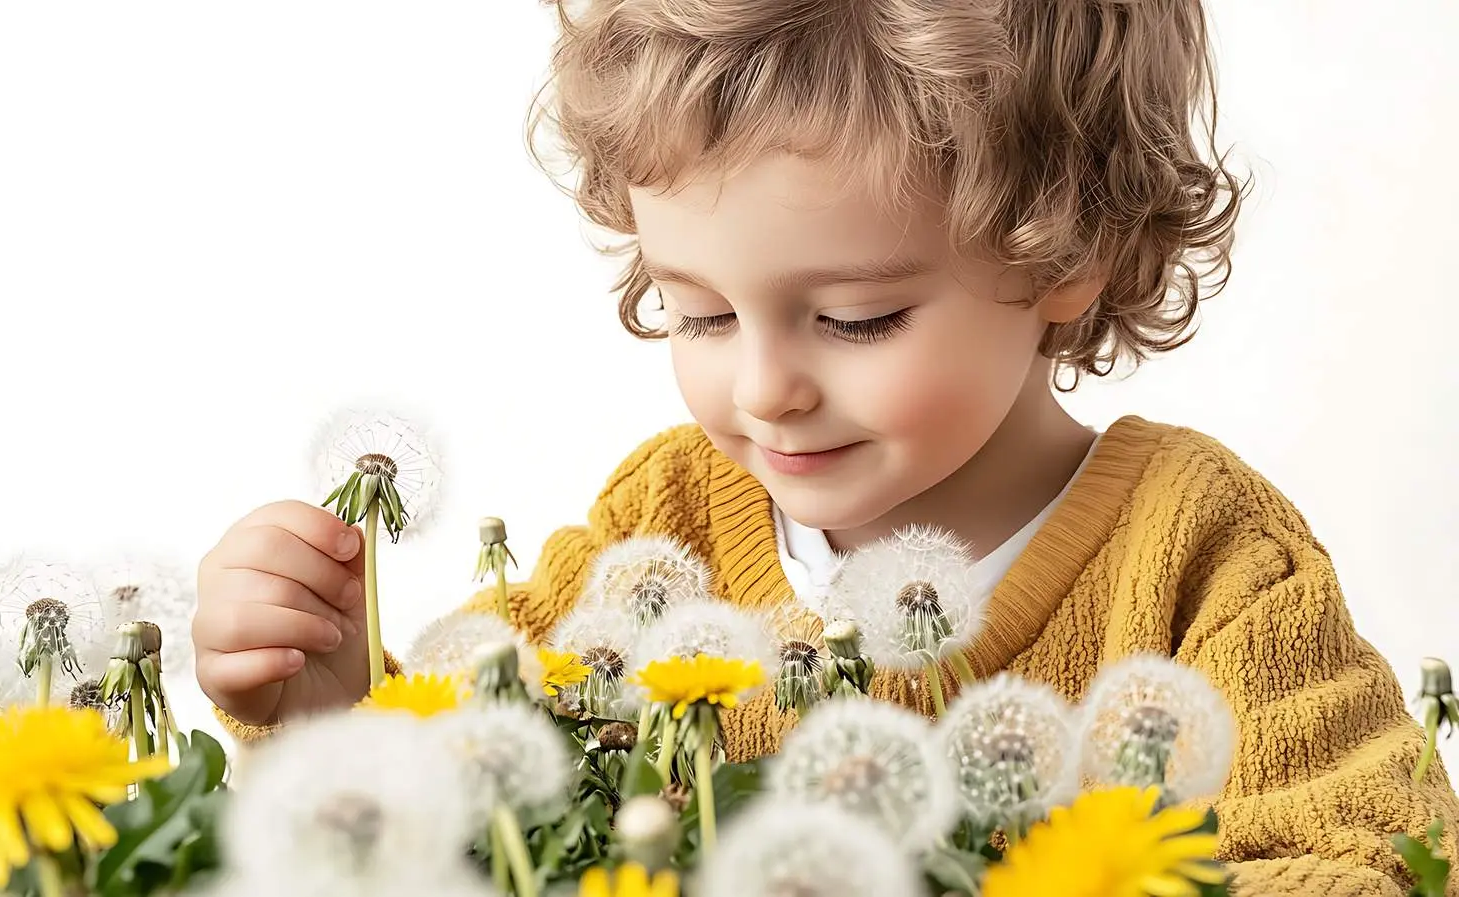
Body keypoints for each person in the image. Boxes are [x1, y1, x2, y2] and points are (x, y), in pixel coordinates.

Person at [191, 0, 1459, 891]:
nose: (762, 389)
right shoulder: (666, 528)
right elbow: (487, 797)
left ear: (1072, 252)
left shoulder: (1205, 558)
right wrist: (330, 710)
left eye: (856, 319)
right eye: (697, 311)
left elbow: (1373, 858)